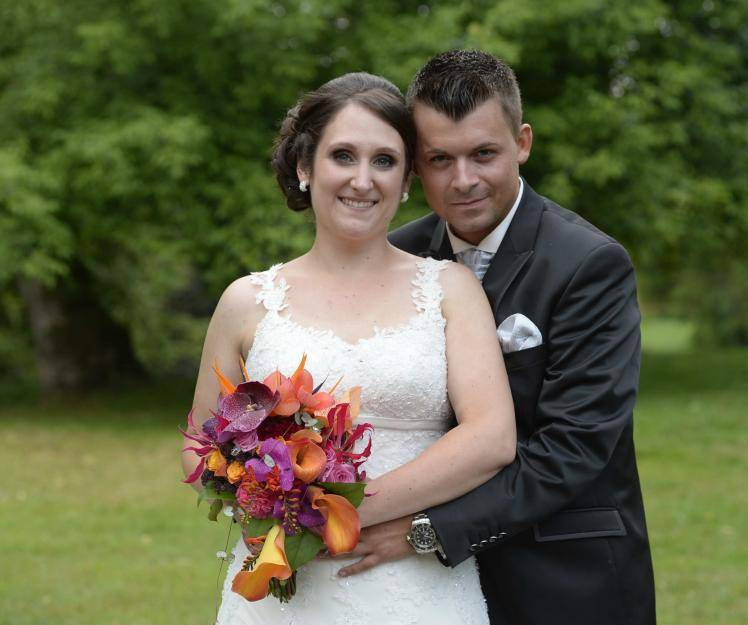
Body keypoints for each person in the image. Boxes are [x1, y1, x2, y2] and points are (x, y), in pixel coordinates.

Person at [180, 72, 517, 625]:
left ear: (406, 179)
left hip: (417, 584)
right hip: (286, 584)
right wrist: (257, 492)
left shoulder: (451, 290)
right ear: (304, 166)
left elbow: (491, 438)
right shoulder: (247, 301)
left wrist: (338, 511)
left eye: (384, 161)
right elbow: (199, 445)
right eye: (343, 155)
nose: (363, 180)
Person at [343, 50, 656, 625]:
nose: (464, 181)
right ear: (416, 164)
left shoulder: (590, 264)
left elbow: (574, 447)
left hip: (563, 576)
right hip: (423, 591)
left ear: (523, 142)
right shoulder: (399, 257)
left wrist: (424, 531)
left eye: (484, 153)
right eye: (440, 159)